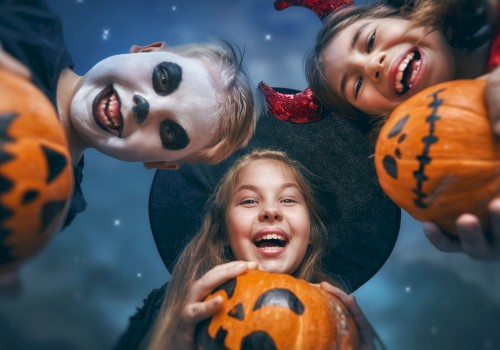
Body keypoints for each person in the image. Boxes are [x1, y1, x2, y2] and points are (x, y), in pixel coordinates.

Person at [0, 0, 258, 228]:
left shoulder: (56, 204)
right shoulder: (27, 23)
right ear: (146, 51)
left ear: (159, 162)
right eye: (163, 78)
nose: (145, 107)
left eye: (169, 131)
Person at [115, 149, 380, 349]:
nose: (270, 211)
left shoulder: (337, 322)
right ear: (224, 231)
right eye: (249, 200)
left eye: (288, 199)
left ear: (311, 231)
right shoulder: (167, 306)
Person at [304, 0, 500, 260]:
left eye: (370, 41)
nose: (373, 65)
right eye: (357, 85)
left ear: (406, 13)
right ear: (379, 120)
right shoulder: (442, 175)